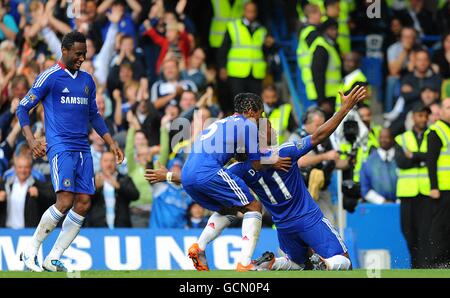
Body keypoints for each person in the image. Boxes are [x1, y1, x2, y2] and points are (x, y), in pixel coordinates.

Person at [147, 85, 368, 271]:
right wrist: (344, 109)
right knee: (345, 262)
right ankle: (324, 265)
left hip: (283, 226)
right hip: (307, 217)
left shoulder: (243, 167)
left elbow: (205, 177)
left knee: (297, 264)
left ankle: (268, 265)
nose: (267, 124)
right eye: (265, 123)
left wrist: (168, 175)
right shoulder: (286, 151)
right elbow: (319, 135)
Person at [16, 31, 124, 272]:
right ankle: (31, 248)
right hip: (60, 146)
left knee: (84, 202)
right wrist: (32, 140)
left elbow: (94, 115)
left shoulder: (87, 80)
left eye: (84, 54)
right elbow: (23, 109)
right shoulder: (50, 77)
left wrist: (110, 141)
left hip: (83, 148)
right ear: (64, 50)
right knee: (65, 200)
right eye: (78, 53)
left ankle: (53, 256)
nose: (82, 58)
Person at [180, 92, 291, 272]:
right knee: (254, 207)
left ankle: (198, 248)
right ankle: (244, 263)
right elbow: (255, 162)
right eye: (260, 114)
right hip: (208, 171)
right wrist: (273, 160)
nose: (261, 119)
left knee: (229, 209)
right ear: (250, 111)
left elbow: (239, 154)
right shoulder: (248, 125)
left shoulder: (221, 122)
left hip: (187, 176)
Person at [394, 103, 431, 269]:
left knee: (425, 233)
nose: (422, 119)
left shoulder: (432, 136)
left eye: (425, 116)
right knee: (408, 232)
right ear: (413, 117)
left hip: (426, 193)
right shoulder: (402, 138)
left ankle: (423, 266)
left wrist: (414, 156)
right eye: (419, 115)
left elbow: (432, 159)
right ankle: (415, 265)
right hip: (407, 193)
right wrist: (423, 159)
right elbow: (401, 162)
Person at [425, 98, 450, 268]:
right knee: (441, 225)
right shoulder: (436, 131)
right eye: (448, 107)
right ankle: (438, 260)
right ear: (440, 111)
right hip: (443, 188)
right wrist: (434, 186)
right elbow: (431, 161)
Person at [85, 151, 139, 228]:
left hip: (121, 226)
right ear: (100, 163)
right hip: (97, 227)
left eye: (112, 161)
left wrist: (119, 186)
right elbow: (83, 200)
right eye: (106, 161)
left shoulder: (124, 179)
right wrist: (96, 188)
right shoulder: (92, 180)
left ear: (116, 163)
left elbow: (135, 195)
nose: (109, 164)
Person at [360, 128, 398, 204]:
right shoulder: (369, 161)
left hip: (400, 204)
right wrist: (383, 201)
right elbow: (365, 188)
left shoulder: (399, 158)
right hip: (377, 206)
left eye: (386, 137)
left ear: (392, 139)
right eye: (381, 137)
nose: (384, 140)